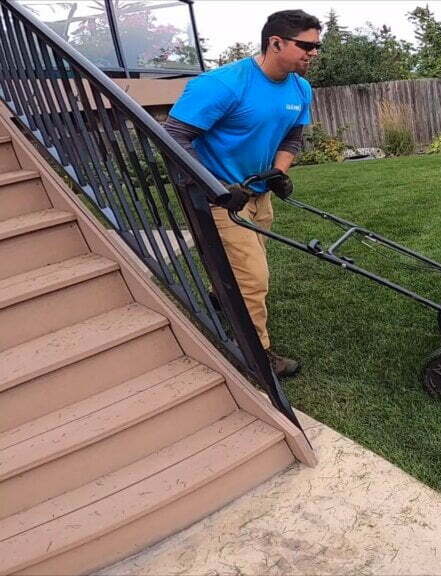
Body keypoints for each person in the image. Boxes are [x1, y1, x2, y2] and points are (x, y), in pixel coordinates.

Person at [164, 10, 322, 378]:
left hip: (257, 193)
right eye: (307, 46)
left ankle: (220, 297)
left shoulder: (300, 87)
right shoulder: (223, 85)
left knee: (245, 266)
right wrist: (215, 189)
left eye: (317, 46)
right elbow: (173, 136)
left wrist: (279, 172)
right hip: (218, 197)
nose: (313, 53)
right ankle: (255, 354)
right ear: (276, 42)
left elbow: (292, 137)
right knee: (253, 277)